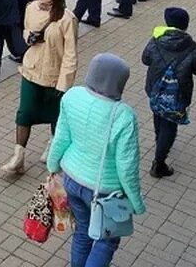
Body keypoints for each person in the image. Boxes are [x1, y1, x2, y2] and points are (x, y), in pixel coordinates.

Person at [46, 53, 147, 266]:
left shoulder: (72, 96)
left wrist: (52, 165)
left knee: (82, 230)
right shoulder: (123, 115)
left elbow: (61, 137)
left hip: (71, 180)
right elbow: (127, 166)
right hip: (105, 191)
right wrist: (136, 203)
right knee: (106, 240)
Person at [1, 0, 77, 173]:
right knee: (24, 112)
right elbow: (26, 30)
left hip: (54, 76)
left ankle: (53, 145)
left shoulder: (67, 19)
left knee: (56, 116)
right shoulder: (31, 8)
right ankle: (18, 157)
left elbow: (70, 55)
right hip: (32, 70)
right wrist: (29, 37)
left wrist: (64, 84)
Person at [141, 7, 196, 178]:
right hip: (177, 94)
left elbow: (145, 59)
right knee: (170, 125)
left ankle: (159, 142)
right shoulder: (193, 47)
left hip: (156, 88)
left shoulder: (156, 40)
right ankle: (159, 163)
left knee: (158, 115)